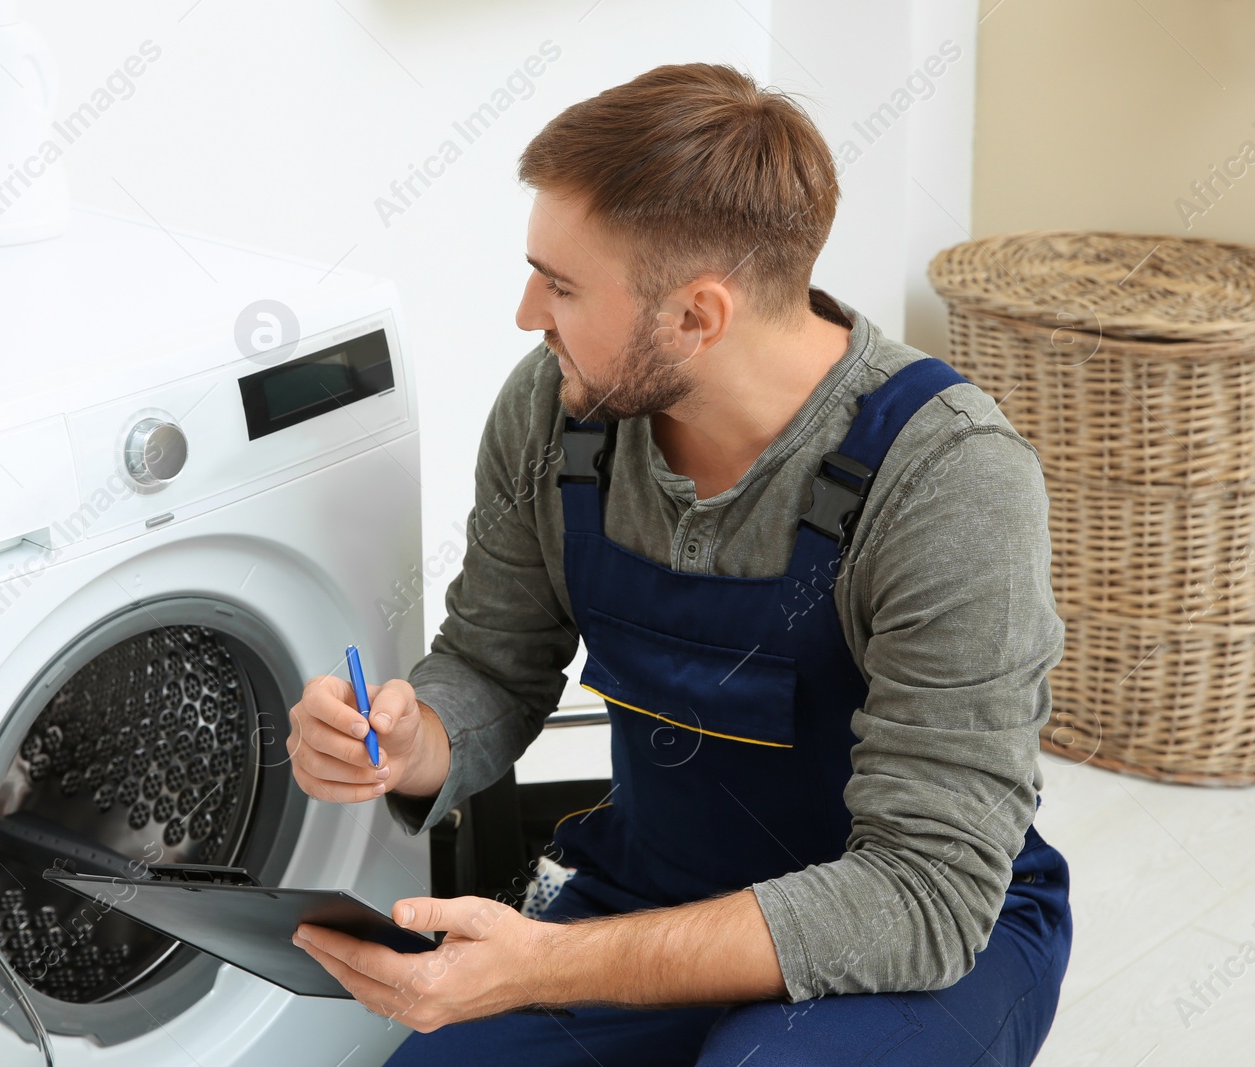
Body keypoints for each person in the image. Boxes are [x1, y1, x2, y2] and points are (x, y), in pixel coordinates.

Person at [286, 62, 1072, 1065]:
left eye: (562, 285)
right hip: (652, 893)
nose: (528, 312)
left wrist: (543, 963)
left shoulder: (949, 479)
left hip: (924, 936)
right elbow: (490, 665)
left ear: (697, 315)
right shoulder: (555, 413)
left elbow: (923, 891)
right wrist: (410, 741)